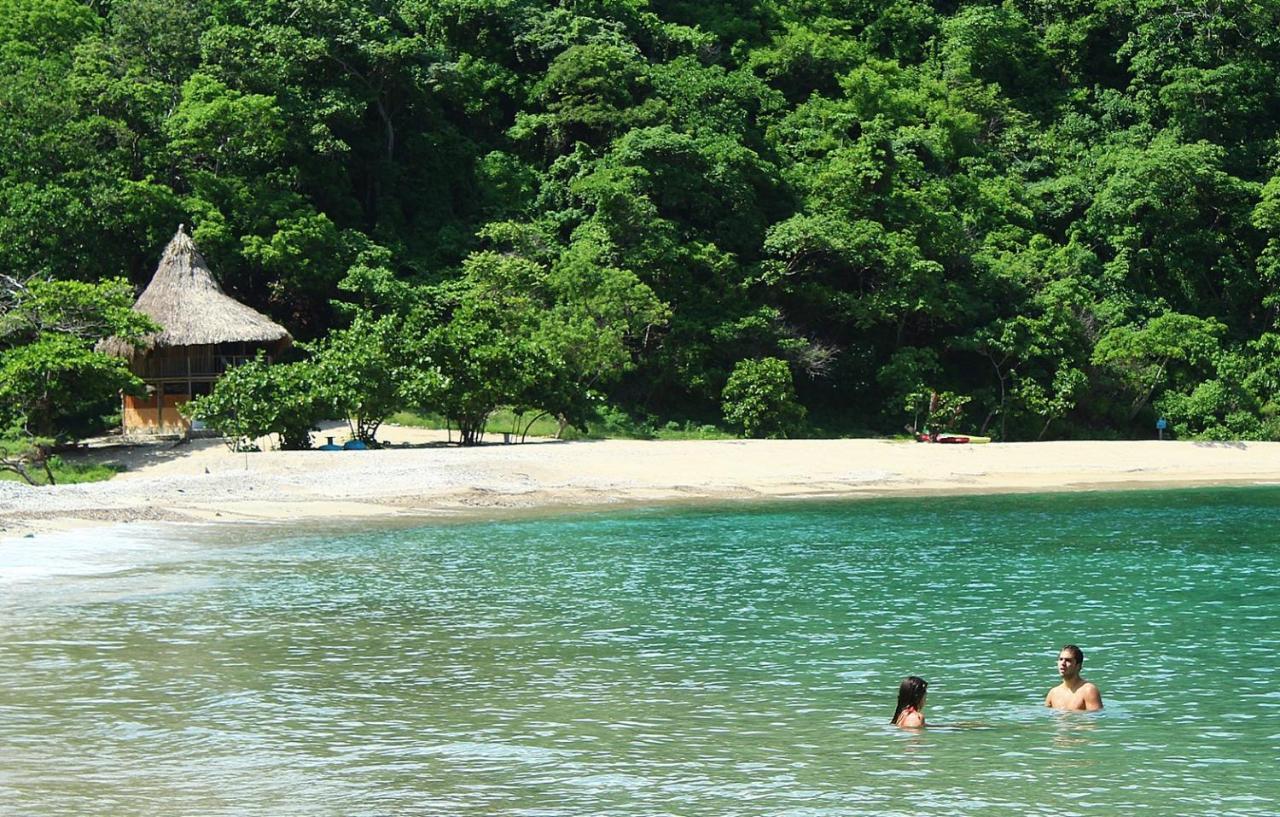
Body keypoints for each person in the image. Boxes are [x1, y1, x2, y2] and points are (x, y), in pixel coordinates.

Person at [1045, 644, 1103, 711]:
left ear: (1078, 666)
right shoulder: (1053, 693)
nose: (1063, 663)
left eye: (1068, 660)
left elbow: (1095, 719)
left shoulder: (1088, 691)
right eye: (1061, 659)